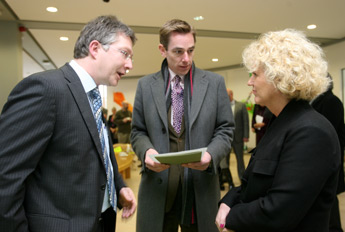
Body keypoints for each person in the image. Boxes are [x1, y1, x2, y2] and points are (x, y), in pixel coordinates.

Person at [0, 15, 137, 232]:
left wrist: (118, 187)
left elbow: (96, 153)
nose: (129, 64)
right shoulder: (45, 89)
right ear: (95, 48)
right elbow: (6, 177)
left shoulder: (92, 96)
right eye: (125, 53)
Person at [216, 29, 341, 232]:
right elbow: (252, 184)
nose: (249, 82)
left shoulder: (311, 131)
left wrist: (231, 217)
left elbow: (279, 211)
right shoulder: (280, 121)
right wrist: (227, 201)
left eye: (255, 74)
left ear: (279, 78)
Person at [131, 19, 234, 232]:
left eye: (190, 50)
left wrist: (211, 155)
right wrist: (146, 150)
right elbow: (137, 131)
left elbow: (225, 129)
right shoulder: (145, 86)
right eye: (178, 51)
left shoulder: (214, 84)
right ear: (162, 50)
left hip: (199, 190)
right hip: (159, 192)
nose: (186, 59)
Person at [311, 73, 345, 232]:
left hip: (328, 160)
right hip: (320, 160)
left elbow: (325, 133)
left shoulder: (331, 101)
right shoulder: (316, 102)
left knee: (330, 202)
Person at [228, 89, 249, 180]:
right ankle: (227, 180)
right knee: (225, 161)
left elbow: (245, 121)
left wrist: (246, 135)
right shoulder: (223, 106)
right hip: (226, 138)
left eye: (227, 95)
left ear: (231, 94)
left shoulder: (241, 105)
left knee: (240, 160)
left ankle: (242, 178)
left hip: (238, 137)